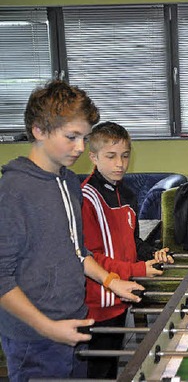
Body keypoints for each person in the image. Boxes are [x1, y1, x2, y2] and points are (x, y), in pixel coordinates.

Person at [0, 80, 143, 382]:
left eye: (84, 137)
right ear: (39, 130)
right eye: (71, 137)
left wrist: (111, 281)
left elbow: (78, 252)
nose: (80, 147)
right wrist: (47, 327)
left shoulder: (68, 183)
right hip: (35, 340)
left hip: (75, 323)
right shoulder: (13, 191)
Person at [81, 121, 173, 379]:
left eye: (124, 155)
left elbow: (133, 243)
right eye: (110, 156)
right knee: (99, 369)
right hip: (97, 302)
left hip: (122, 295)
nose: (119, 163)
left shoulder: (129, 195)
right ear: (94, 157)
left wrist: (152, 253)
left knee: (113, 364)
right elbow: (90, 257)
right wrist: (137, 269)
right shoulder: (86, 198)